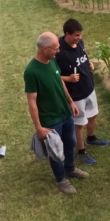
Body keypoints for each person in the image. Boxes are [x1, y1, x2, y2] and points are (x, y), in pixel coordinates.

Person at [25, 32, 87, 195]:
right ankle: (61, 179)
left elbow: (59, 81)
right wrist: (38, 128)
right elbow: (32, 102)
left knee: (71, 141)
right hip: (51, 119)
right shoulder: (31, 71)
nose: (58, 51)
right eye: (55, 48)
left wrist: (70, 102)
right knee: (56, 151)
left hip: (64, 112)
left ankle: (70, 168)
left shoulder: (52, 61)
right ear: (45, 49)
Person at [56, 19, 110, 166]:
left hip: (88, 87)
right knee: (78, 124)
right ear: (67, 34)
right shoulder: (59, 52)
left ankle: (91, 138)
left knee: (93, 114)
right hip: (76, 94)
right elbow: (53, 75)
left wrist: (88, 64)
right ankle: (81, 152)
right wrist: (68, 78)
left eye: (80, 35)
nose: (79, 38)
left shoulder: (80, 43)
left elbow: (81, 58)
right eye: (76, 35)